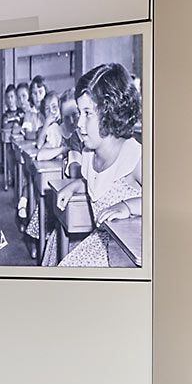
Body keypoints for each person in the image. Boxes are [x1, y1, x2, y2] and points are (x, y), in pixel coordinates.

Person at [56, 63, 143, 268]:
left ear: (111, 113)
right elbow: (96, 182)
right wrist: (75, 185)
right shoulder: (88, 154)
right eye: (80, 112)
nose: (78, 123)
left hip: (127, 256)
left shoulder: (134, 157)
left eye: (88, 113)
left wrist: (128, 206)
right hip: (101, 243)